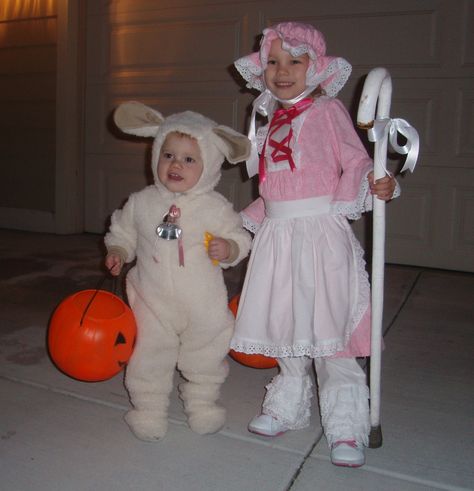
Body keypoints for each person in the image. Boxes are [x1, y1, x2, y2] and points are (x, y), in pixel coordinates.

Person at [229, 21, 398, 467]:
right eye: (273, 62)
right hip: (280, 240)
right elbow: (276, 188)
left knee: (330, 329)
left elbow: (356, 160)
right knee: (287, 323)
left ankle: (346, 424)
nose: (282, 71)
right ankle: (288, 403)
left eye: (295, 61)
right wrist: (244, 227)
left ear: (316, 67)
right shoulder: (269, 122)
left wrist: (375, 182)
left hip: (320, 237)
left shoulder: (329, 112)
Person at [105, 102, 251, 441]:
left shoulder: (214, 207)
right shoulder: (142, 202)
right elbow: (122, 232)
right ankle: (148, 408)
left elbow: (239, 236)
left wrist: (229, 248)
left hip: (202, 301)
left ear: (211, 163)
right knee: (149, 353)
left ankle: (202, 401)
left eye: (189, 159)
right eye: (168, 154)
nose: (176, 164)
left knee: (207, 350)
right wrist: (118, 250)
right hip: (151, 298)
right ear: (155, 154)